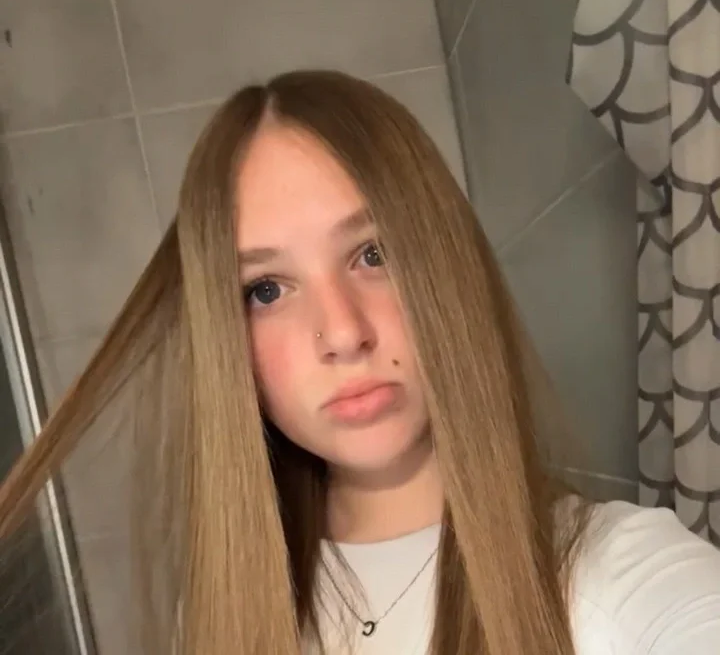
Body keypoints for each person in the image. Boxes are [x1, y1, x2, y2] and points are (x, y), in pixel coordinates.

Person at [0, 70, 718, 655]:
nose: (342, 333)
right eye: (266, 290)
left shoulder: (612, 576)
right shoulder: (230, 610)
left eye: (375, 254)